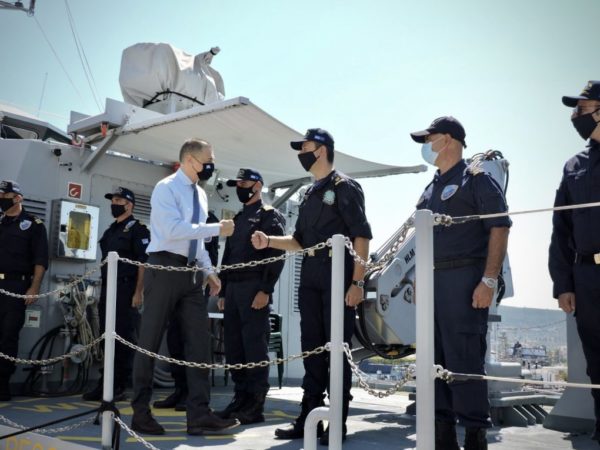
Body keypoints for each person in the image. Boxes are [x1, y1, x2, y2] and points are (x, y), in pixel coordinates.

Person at [251, 128, 371, 444]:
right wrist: (268, 241)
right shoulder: (309, 193)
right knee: (312, 349)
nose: (301, 154)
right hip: (311, 274)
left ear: (321, 150)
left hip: (337, 274)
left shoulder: (345, 187)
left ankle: (337, 422)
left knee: (336, 350)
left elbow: (361, 235)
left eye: (305, 147)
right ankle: (309, 418)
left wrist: (357, 282)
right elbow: (299, 241)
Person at [410, 117, 511, 450]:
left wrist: (489, 279)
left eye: (430, 139)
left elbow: (499, 227)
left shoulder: (477, 179)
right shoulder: (430, 189)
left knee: (464, 360)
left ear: (449, 140)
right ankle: (442, 437)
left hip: (465, 280)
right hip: (433, 281)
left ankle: (474, 435)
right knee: (433, 360)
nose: (427, 146)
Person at [130, 138, 239, 436]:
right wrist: (218, 228)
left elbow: (197, 240)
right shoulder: (166, 188)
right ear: (190, 160)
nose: (212, 165)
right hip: (164, 268)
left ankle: (199, 414)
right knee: (149, 342)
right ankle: (140, 413)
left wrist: (209, 271)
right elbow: (172, 230)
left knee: (199, 344)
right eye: (209, 159)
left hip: (191, 275)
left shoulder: (200, 195)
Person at [549, 80, 600, 443]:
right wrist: (563, 284)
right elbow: (560, 229)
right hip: (586, 277)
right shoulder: (574, 166)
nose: (575, 116)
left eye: (581, 109)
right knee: (595, 358)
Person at [215, 168, 286, 424]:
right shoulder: (237, 218)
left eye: (244, 184)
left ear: (257, 186)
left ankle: (255, 404)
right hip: (234, 289)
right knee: (235, 346)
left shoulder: (269, 216)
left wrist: (266, 289)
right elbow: (228, 255)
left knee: (254, 347)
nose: (239, 188)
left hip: (254, 287)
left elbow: (277, 254)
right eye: (237, 184)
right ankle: (240, 398)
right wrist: (224, 290)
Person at [82, 187, 149, 401]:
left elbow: (143, 263)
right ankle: (106, 383)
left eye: (119, 200)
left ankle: (119, 385)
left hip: (126, 289)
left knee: (122, 337)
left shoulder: (138, 230)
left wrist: (138, 293)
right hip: (108, 288)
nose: (114, 204)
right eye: (113, 200)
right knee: (106, 335)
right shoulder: (111, 230)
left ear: (129, 205)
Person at [153, 210, 220, 412]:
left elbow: (208, 253)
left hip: (194, 286)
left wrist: (208, 276)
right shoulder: (178, 216)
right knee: (174, 339)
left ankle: (192, 393)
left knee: (192, 341)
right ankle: (180, 389)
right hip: (173, 283)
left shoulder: (208, 219)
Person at [0, 180, 48, 401]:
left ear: (17, 198)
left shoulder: (34, 225)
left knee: (8, 335)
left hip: (17, 286)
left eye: (5, 195)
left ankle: (2, 384)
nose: (1, 199)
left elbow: (40, 260)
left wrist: (34, 287)